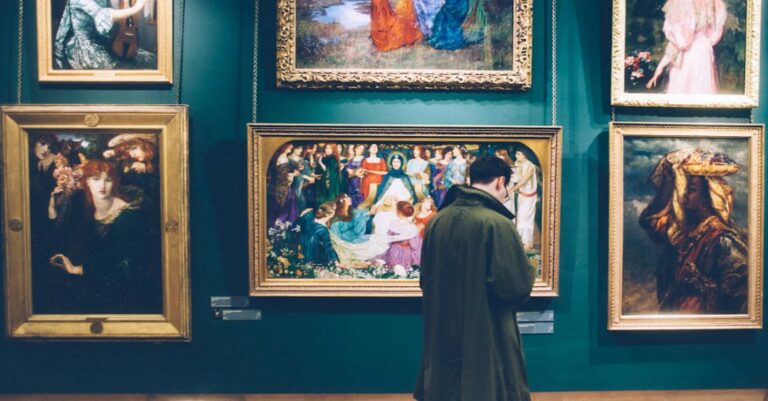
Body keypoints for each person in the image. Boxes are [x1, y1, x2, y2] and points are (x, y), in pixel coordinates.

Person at [415, 156, 535, 401]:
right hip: (487, 333)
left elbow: (424, 279)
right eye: (506, 190)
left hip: (442, 331)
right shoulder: (497, 223)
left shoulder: (438, 221)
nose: (505, 196)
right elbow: (516, 287)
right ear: (501, 182)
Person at [639, 149, 747, 313]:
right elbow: (649, 222)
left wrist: (701, 292)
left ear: (707, 199)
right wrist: (669, 182)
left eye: (691, 190)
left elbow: (740, 289)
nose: (684, 196)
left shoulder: (722, 239)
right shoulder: (687, 234)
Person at [48, 159, 162, 314]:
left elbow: (125, 264)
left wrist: (78, 269)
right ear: (87, 182)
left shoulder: (127, 216)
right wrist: (53, 207)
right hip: (95, 285)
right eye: (95, 179)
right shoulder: (86, 206)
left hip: (122, 292)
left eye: (107, 180)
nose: (102, 186)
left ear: (113, 183)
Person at [645, 0, 727, 94]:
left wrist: (657, 72)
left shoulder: (683, 7)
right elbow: (714, 33)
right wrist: (656, 74)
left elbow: (680, 43)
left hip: (691, 54)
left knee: (684, 85)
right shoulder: (710, 4)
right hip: (703, 49)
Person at [54, 0, 158, 70]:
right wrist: (137, 7)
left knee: (151, 60)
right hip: (85, 49)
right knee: (123, 69)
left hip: (106, 43)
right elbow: (106, 15)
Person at [510, 148, 538, 250]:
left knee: (526, 218)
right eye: (516, 154)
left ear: (524, 155)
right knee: (521, 217)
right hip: (522, 195)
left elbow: (524, 180)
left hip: (529, 197)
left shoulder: (530, 166)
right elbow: (517, 178)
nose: (516, 156)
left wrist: (512, 189)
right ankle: (520, 241)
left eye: (518, 154)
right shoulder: (517, 163)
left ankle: (527, 243)